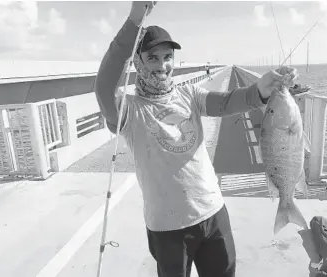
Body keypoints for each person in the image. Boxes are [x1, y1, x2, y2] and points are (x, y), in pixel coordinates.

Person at [95, 2, 299, 277]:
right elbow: (104, 85)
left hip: (213, 213)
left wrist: (261, 89)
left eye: (167, 57)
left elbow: (228, 102)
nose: (162, 65)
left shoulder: (189, 95)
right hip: (166, 228)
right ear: (138, 63)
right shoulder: (130, 110)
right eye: (152, 57)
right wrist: (134, 20)